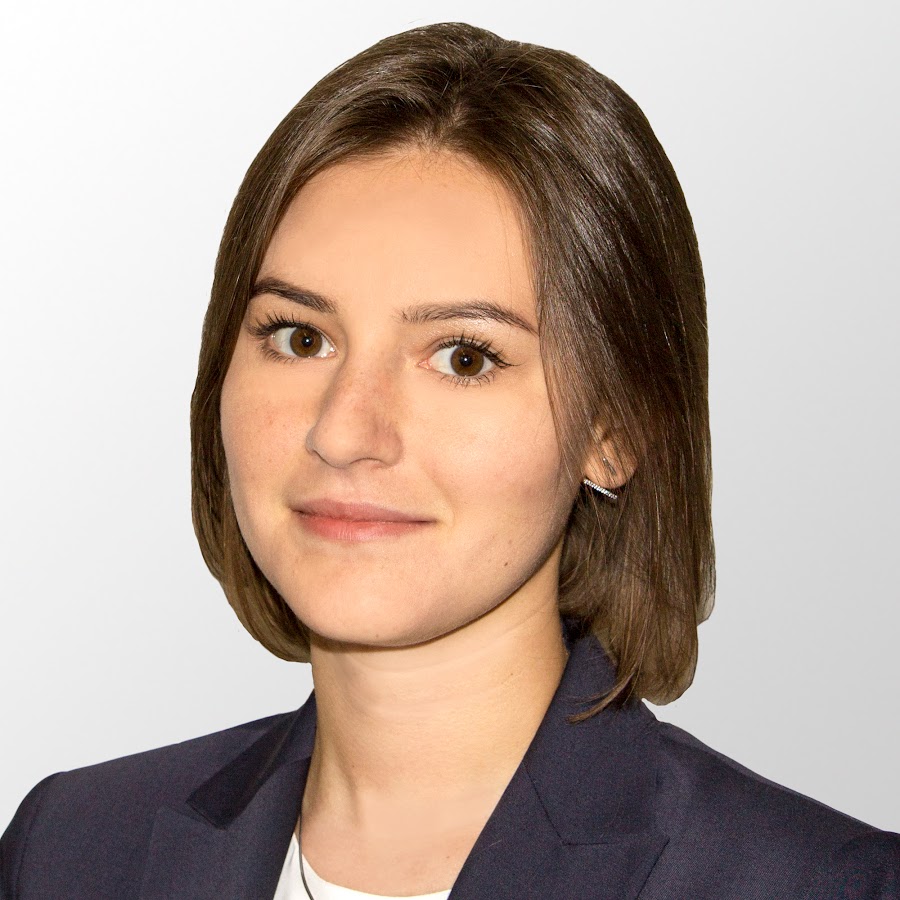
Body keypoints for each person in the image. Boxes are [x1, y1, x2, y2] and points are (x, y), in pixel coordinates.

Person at [1, 20, 897, 900]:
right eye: (301, 337)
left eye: (464, 357)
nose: (344, 431)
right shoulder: (67, 849)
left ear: (616, 429)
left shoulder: (825, 884)